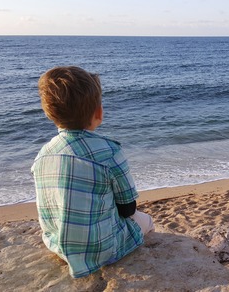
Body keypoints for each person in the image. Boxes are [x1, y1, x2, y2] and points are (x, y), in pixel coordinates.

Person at [31, 66, 154, 278]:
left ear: (49, 113)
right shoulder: (109, 151)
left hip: (58, 245)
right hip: (104, 249)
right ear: (98, 112)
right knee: (146, 220)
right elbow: (128, 209)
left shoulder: (43, 155)